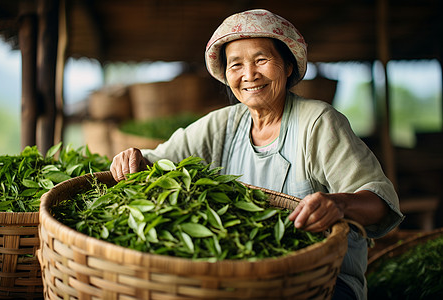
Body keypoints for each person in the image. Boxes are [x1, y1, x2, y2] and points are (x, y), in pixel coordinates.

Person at [110, 9, 404, 300]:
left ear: (288, 66)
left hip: (322, 280)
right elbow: (158, 161)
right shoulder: (222, 125)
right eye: (235, 64)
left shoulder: (318, 122)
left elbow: (379, 202)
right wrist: (133, 159)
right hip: (241, 279)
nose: (249, 75)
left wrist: (338, 204)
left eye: (261, 60)